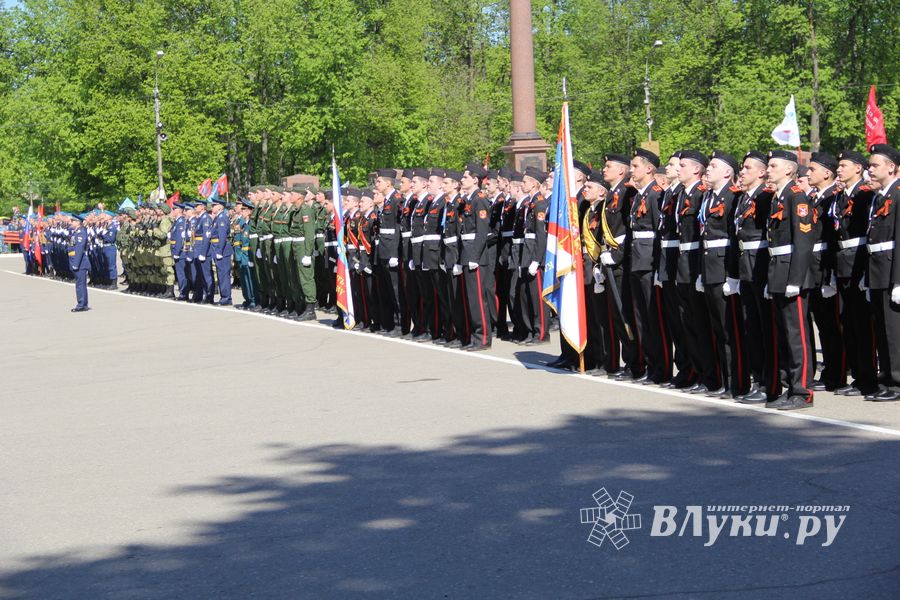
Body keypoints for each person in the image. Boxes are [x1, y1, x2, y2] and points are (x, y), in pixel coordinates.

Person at [764, 149, 816, 410]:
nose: (768, 169)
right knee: (784, 335)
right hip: (778, 271)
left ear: (788, 169)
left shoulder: (797, 197)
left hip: (791, 273)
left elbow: (804, 241)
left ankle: (802, 390)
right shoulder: (778, 197)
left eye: (773, 165)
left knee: (797, 335)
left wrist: (796, 278)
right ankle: (788, 386)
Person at [865, 143, 900, 402]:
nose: (870, 169)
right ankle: (887, 378)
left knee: (893, 330)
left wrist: (899, 280)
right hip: (877, 269)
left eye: (875, 165)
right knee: (882, 329)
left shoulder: (898, 194)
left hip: (891, 270)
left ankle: (897, 382)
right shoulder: (880, 196)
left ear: (891, 167)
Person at [68, 213, 90, 312]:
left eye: (72, 221)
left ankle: (81, 304)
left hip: (80, 263)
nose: (71, 222)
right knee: (80, 284)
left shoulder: (81, 233)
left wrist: (75, 264)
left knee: (80, 284)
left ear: (78, 222)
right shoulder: (76, 232)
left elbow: (79, 249)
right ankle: (83, 303)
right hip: (75, 260)